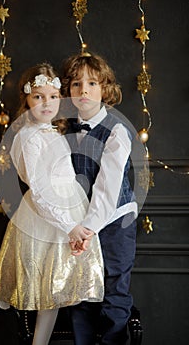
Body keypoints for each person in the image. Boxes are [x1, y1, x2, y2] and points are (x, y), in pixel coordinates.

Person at [0, 62, 104, 345]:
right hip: (47, 219)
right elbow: (40, 192)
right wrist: (70, 227)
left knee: (53, 294)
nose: (47, 103)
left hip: (66, 210)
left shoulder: (50, 131)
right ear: (26, 98)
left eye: (53, 97)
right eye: (38, 96)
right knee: (48, 292)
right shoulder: (28, 137)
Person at [60, 52, 140, 345]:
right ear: (68, 90)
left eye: (92, 83)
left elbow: (107, 189)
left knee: (114, 289)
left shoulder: (116, 131)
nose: (84, 91)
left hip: (115, 220)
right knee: (81, 291)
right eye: (77, 84)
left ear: (105, 89)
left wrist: (87, 229)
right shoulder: (64, 129)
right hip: (80, 223)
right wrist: (74, 226)